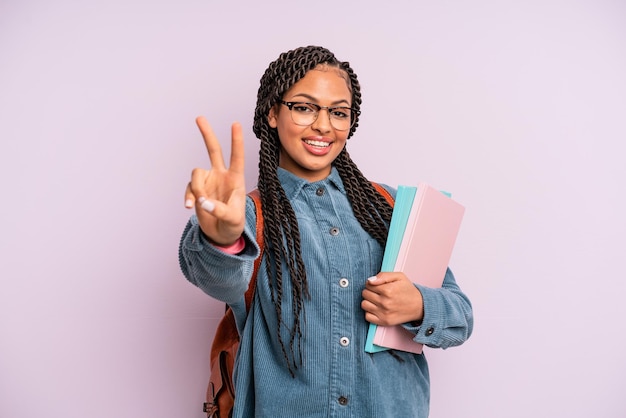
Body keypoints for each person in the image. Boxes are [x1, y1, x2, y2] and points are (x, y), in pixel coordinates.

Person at [179, 45, 473, 417]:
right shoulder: (249, 214)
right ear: (272, 112)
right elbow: (220, 281)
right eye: (304, 107)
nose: (323, 125)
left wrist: (419, 304)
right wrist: (222, 239)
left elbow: (461, 317)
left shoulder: (392, 208)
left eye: (338, 112)